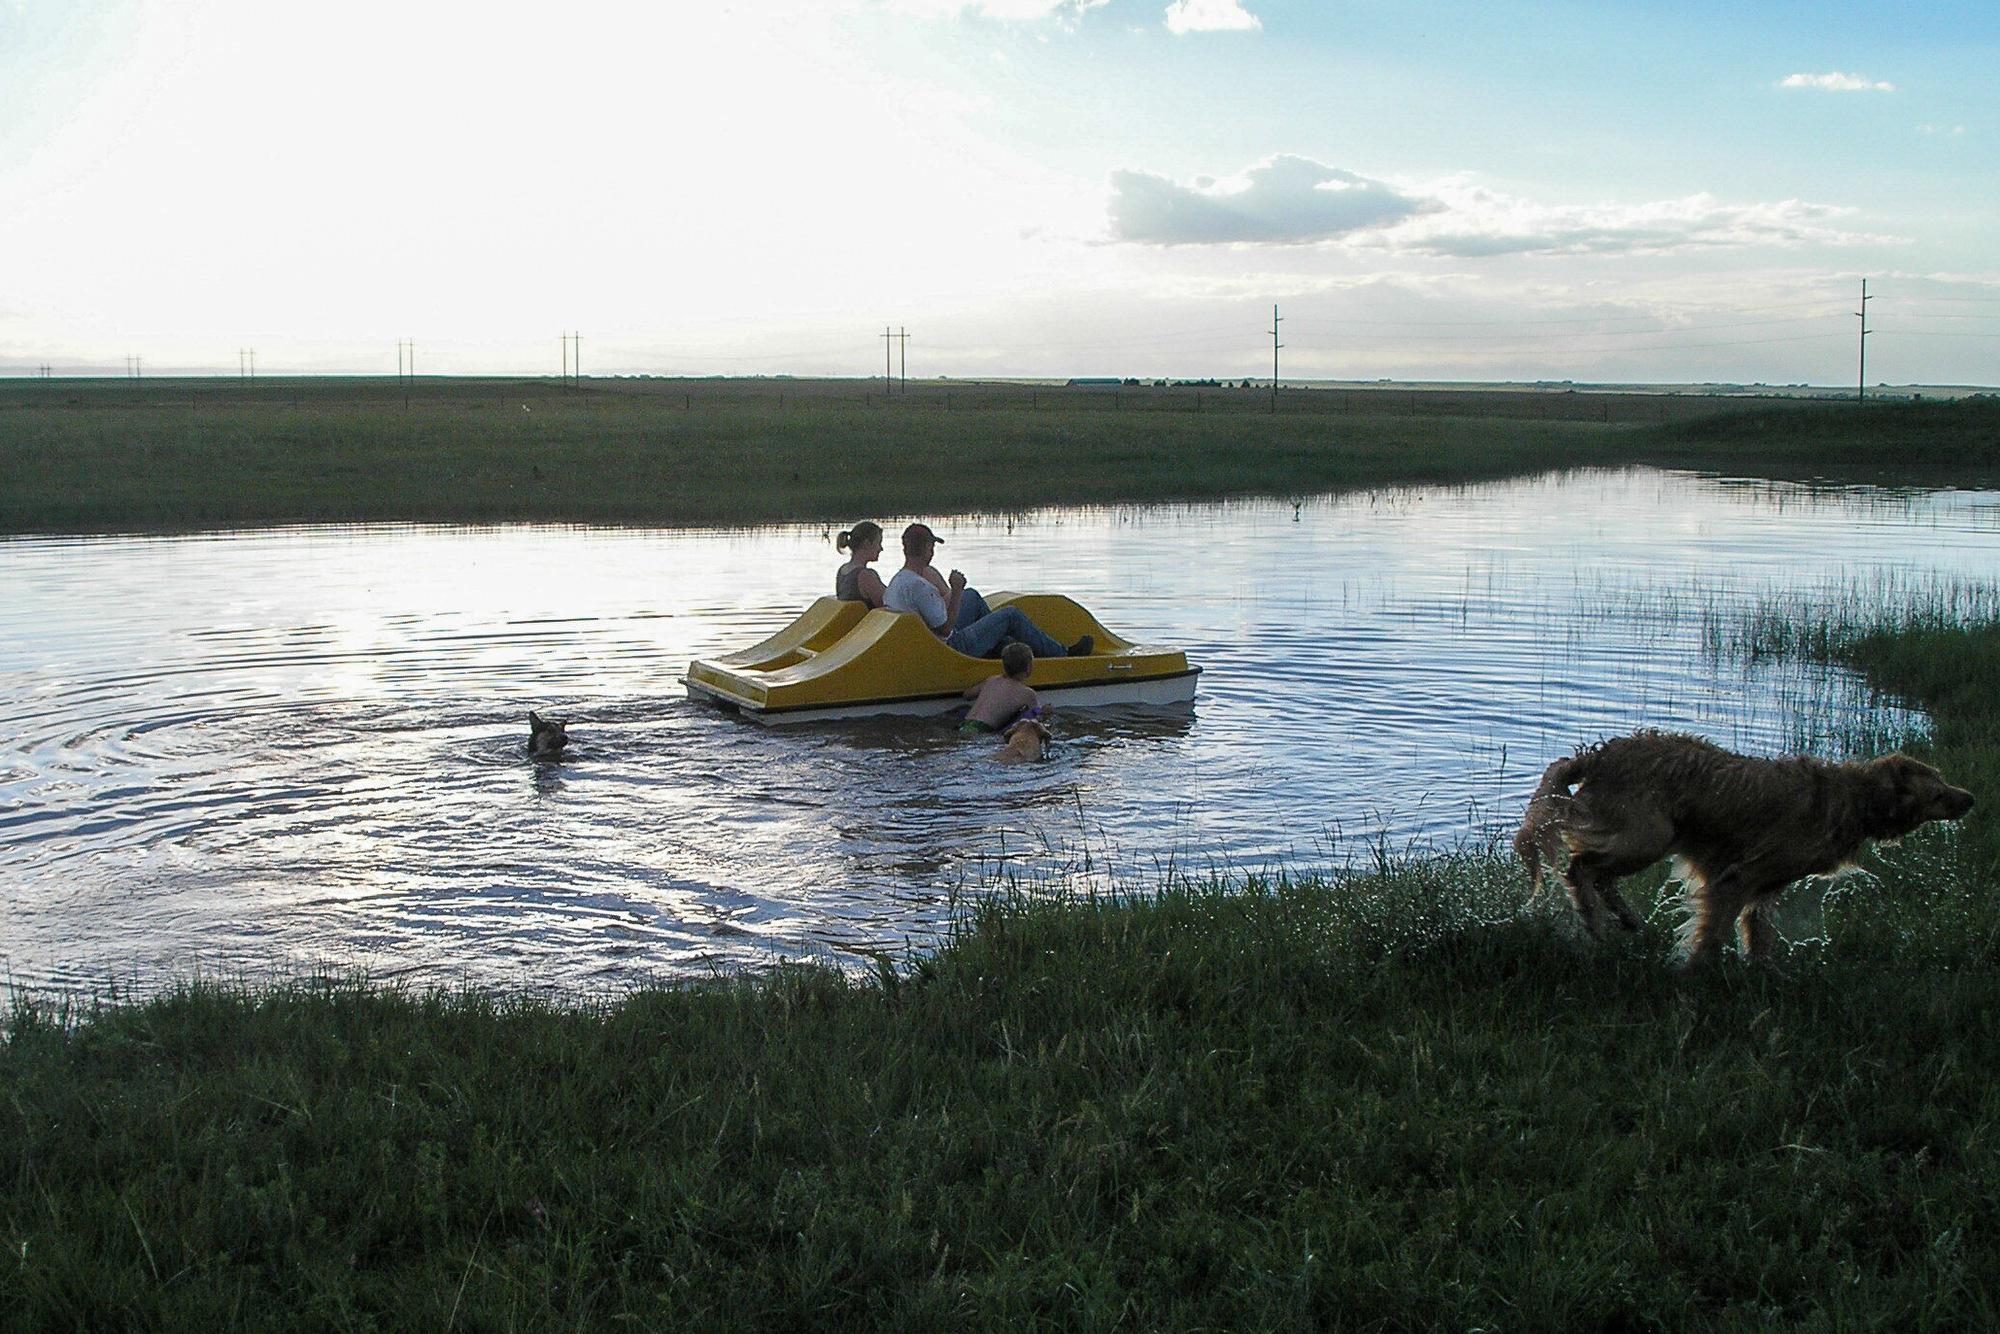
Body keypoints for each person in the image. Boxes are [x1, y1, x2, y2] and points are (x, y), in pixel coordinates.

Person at [883, 522, 1092, 660]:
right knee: (1011, 615)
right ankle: (1062, 654)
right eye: (931, 547)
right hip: (952, 648)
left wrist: (961, 595)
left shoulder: (897, 582)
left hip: (925, 641)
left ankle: (1003, 646)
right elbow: (946, 630)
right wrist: (956, 591)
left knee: (971, 596)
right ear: (929, 549)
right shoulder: (919, 586)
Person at [961, 641, 1043, 735]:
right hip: (982, 730)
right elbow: (1038, 719)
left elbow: (966, 695)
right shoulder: (1028, 693)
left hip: (965, 724)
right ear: (1029, 668)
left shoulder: (991, 680)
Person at [833, 521, 887, 608]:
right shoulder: (866, 576)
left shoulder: (842, 570)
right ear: (867, 544)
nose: (881, 549)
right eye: (879, 543)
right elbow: (888, 606)